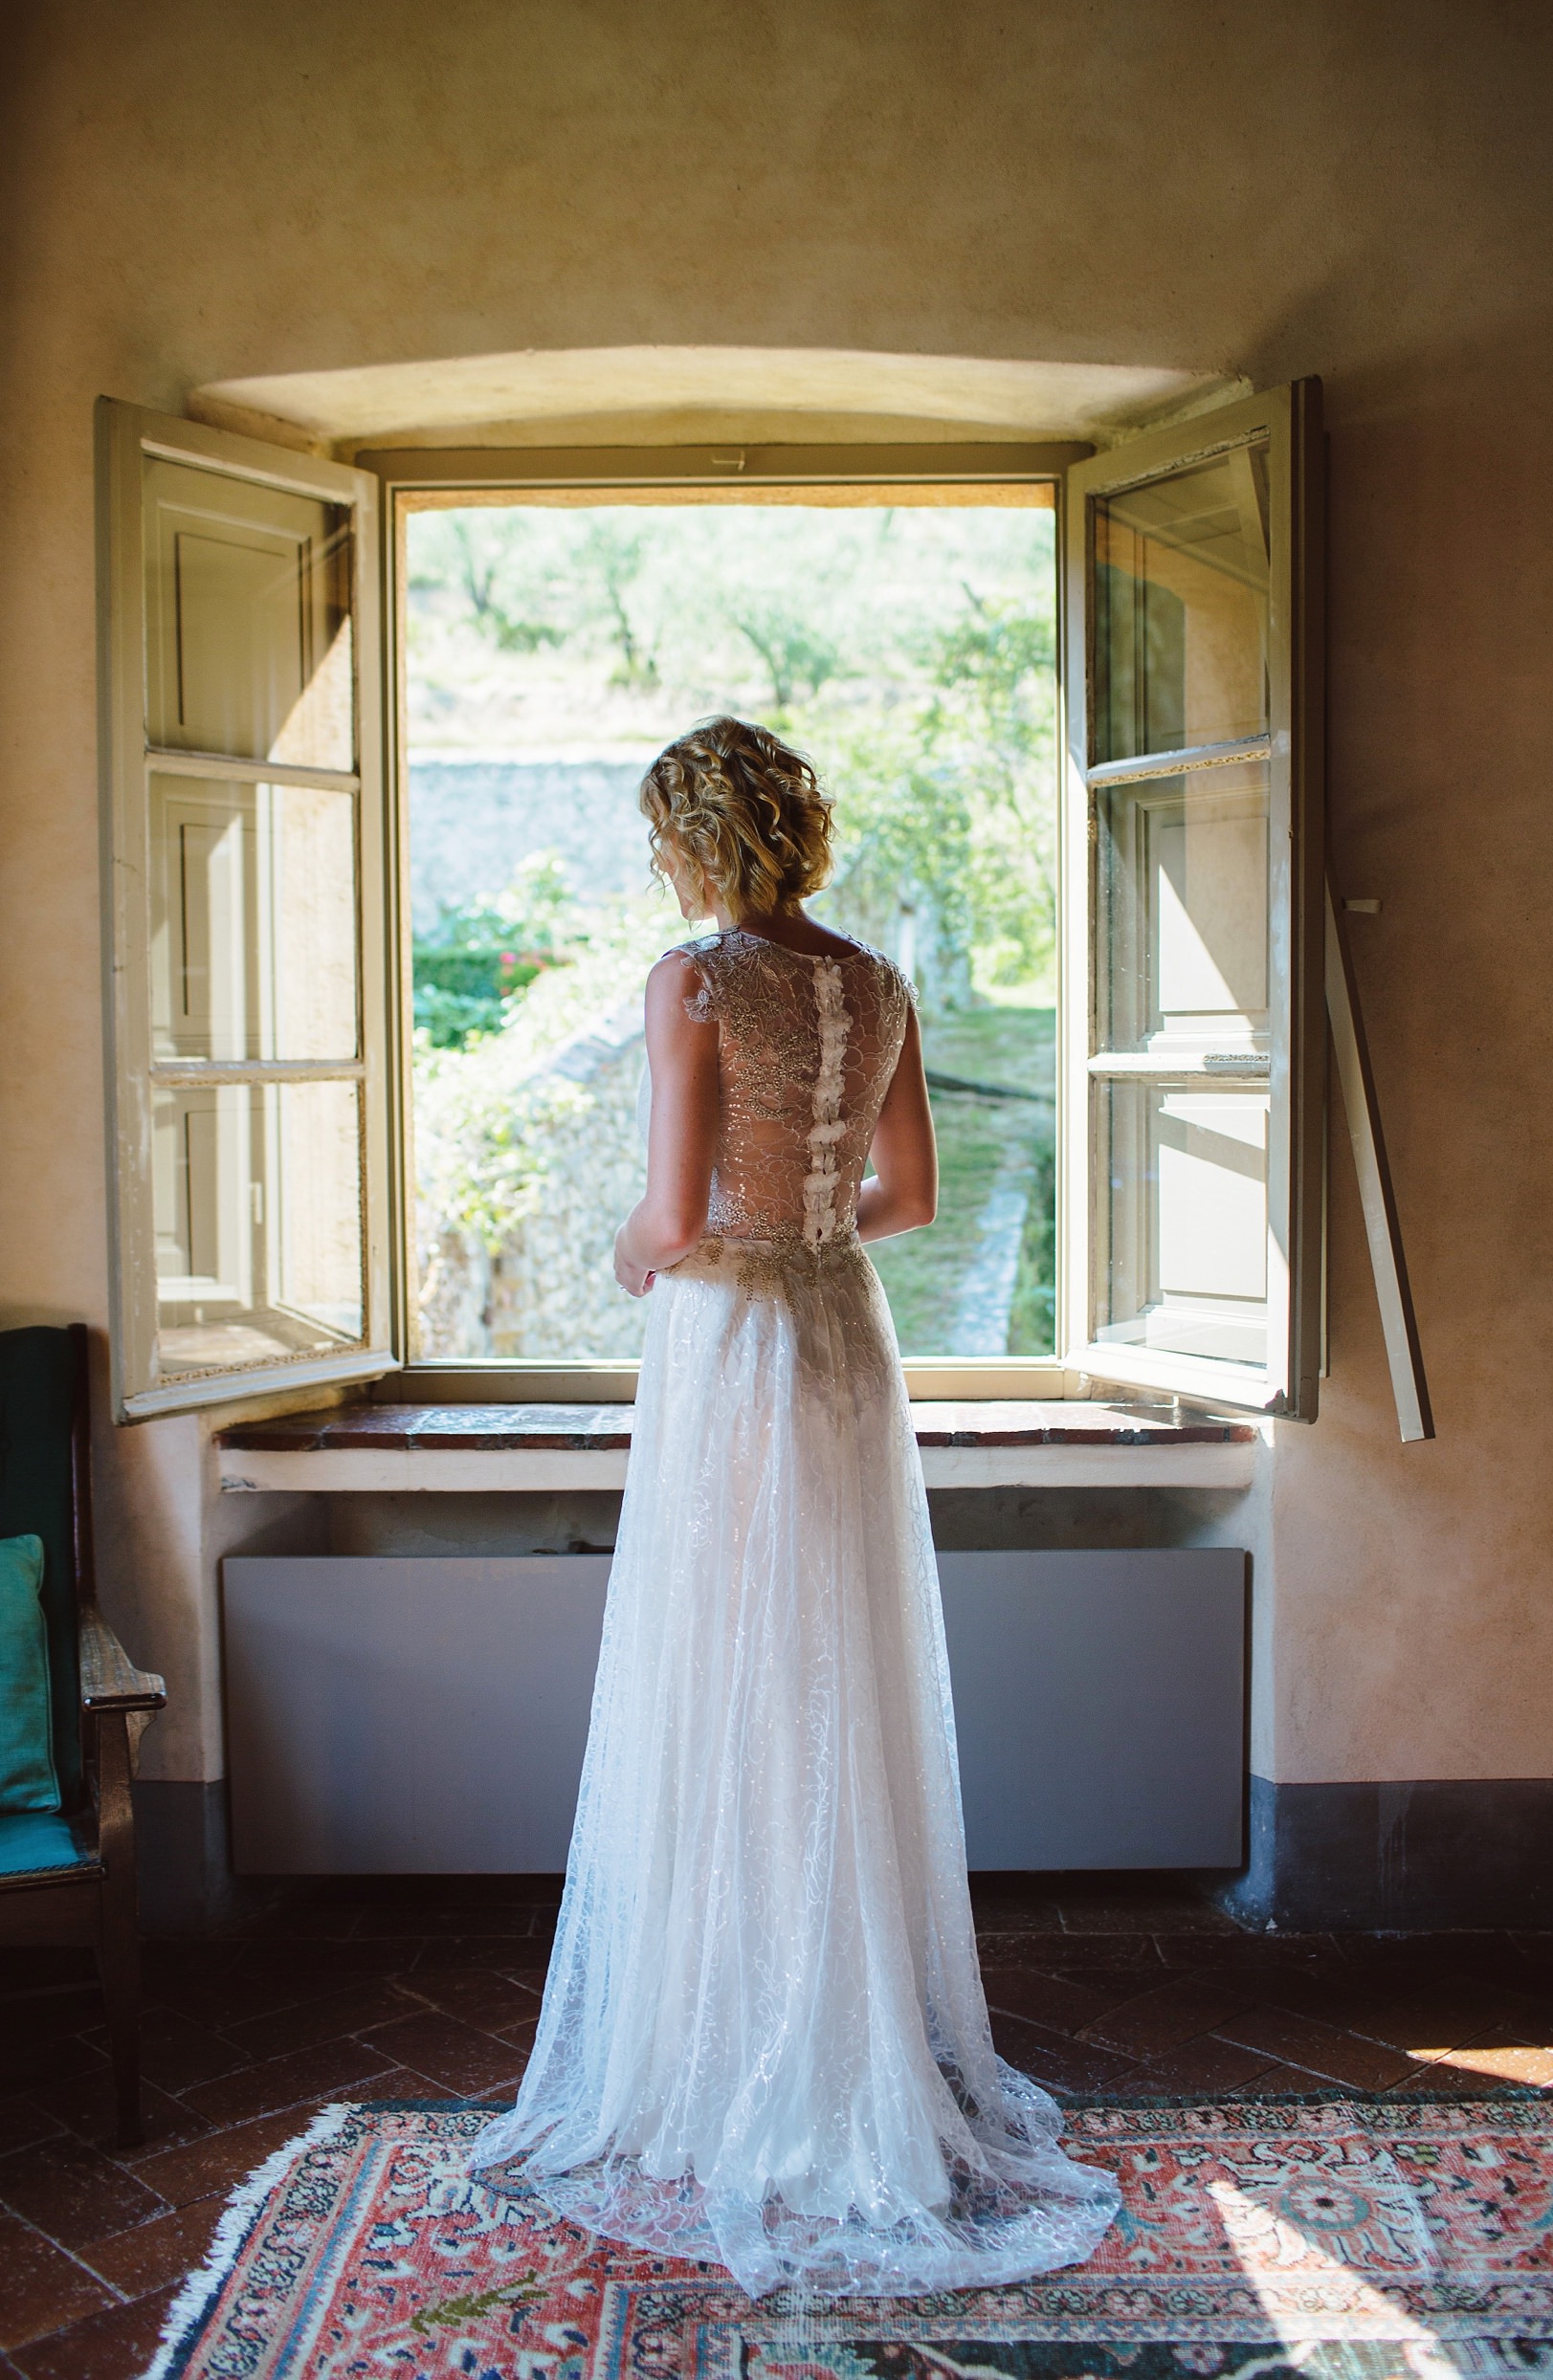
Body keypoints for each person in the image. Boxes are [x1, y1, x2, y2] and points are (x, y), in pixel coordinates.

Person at [471, 716, 1120, 2298]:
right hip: (839, 1329)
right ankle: (840, 2021)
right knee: (832, 1664)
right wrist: (808, 1217)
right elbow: (908, 1198)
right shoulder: (874, 983)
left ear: (692, 839)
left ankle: (732, 2035)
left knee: (728, 1669)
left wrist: (637, 1259)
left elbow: (672, 1211)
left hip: (733, 1341)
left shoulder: (693, 980)